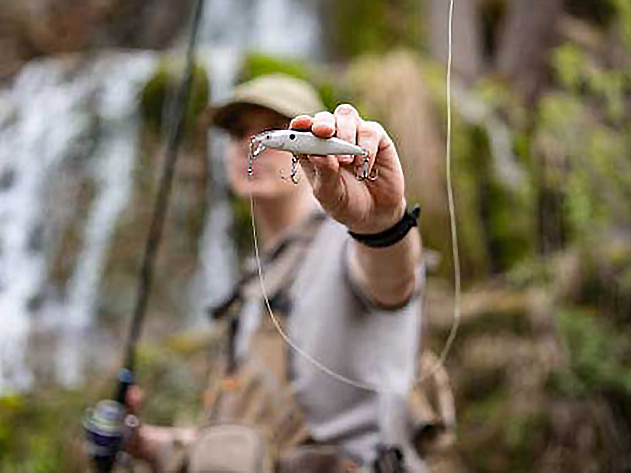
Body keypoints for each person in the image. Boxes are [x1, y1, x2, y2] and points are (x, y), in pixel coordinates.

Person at [125, 74, 429, 473]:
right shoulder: (256, 275)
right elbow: (248, 439)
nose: (250, 143)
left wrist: (383, 224)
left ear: (315, 146)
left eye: (275, 129)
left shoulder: (349, 240)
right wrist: (143, 442)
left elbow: (393, 278)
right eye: (238, 133)